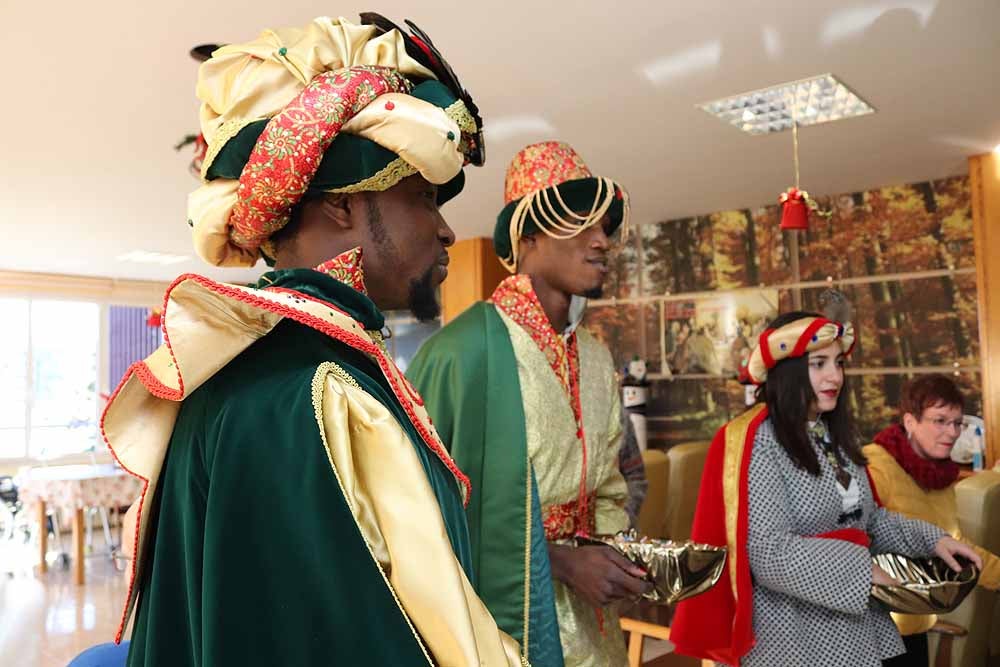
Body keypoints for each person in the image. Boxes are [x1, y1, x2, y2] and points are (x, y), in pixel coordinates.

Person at [100, 14, 524, 666]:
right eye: (421, 197)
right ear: (342, 204)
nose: (444, 231)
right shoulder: (321, 390)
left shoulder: (260, 365)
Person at [408, 141, 649, 667]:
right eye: (580, 223)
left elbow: (612, 485)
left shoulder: (595, 355)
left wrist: (618, 556)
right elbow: (422, 519)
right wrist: (559, 564)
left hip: (596, 628)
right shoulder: (460, 353)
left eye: (605, 227)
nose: (601, 241)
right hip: (506, 631)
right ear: (529, 235)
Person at [670, 311, 981, 666]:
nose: (835, 376)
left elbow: (870, 521)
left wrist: (935, 540)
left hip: (864, 630)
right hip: (794, 640)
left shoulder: (831, 433)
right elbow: (768, 552)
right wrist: (864, 572)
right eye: (819, 364)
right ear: (787, 371)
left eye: (838, 362)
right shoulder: (758, 441)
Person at [865, 374, 1000, 666]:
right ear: (910, 421)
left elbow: (953, 543)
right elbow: (854, 542)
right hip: (875, 627)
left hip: (917, 622)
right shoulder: (876, 467)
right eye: (940, 421)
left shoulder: (940, 475)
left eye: (957, 423)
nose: (951, 432)